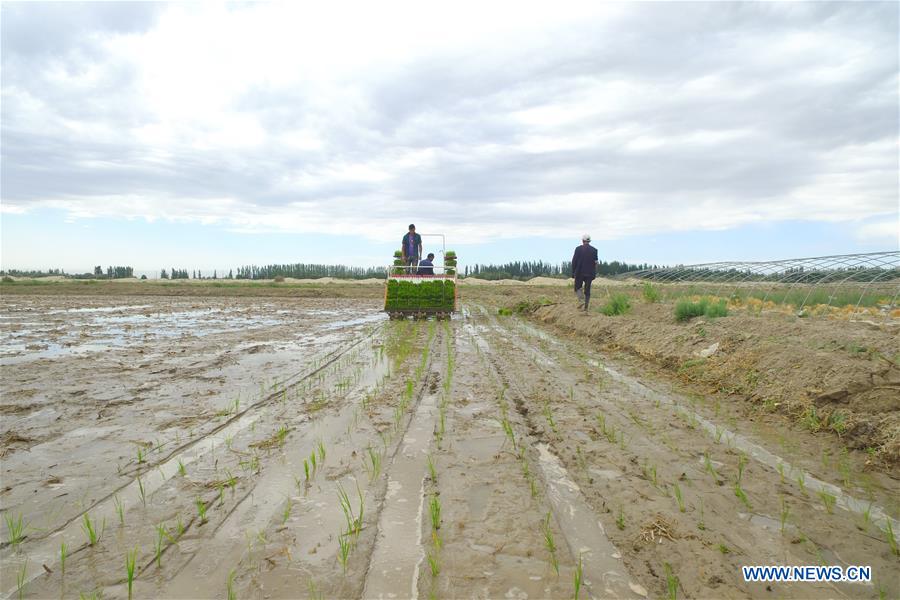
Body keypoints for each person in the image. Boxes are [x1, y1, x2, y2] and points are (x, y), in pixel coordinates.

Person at [572, 233, 598, 310]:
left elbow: (574, 261)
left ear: (582, 240)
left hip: (579, 272)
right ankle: (586, 307)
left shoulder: (578, 249)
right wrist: (595, 272)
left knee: (577, 287)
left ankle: (581, 301)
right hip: (590, 273)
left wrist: (573, 272)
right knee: (587, 290)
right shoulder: (594, 250)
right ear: (589, 241)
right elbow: (596, 262)